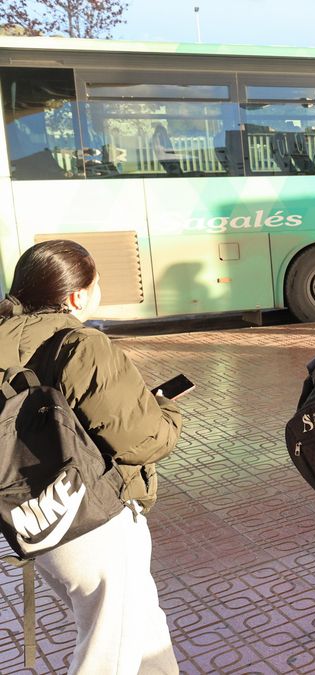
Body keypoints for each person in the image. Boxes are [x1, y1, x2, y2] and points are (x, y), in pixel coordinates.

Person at [0, 240, 182, 674]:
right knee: (106, 655)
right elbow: (146, 439)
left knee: (142, 629)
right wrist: (166, 408)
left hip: (34, 516)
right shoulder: (81, 344)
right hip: (94, 520)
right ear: (77, 296)